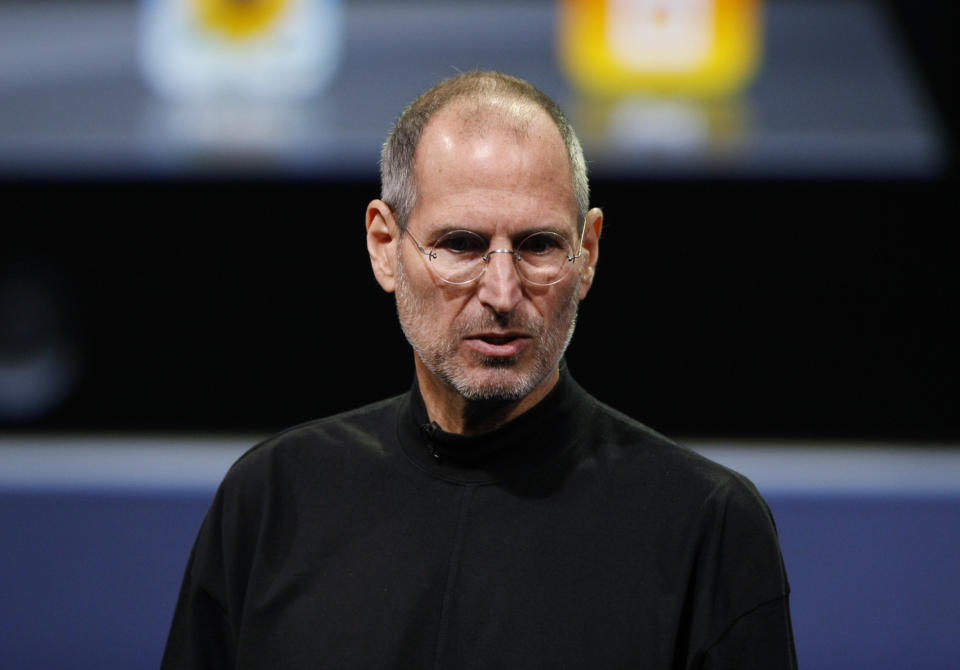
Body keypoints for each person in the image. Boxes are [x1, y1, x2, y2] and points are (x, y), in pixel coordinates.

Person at [161, 71, 797, 669]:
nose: (501, 290)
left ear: (589, 251)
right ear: (385, 246)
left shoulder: (705, 526)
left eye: (539, 245)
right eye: (461, 245)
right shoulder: (272, 501)